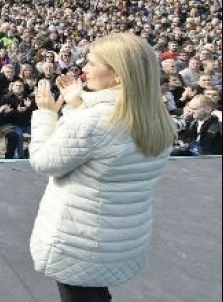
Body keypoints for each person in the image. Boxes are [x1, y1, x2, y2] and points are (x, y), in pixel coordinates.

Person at [29, 33, 175, 302]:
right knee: (96, 293)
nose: (83, 68)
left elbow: (43, 160)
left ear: (118, 75)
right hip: (121, 238)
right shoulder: (157, 116)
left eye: (92, 63)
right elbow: (104, 148)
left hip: (79, 241)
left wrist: (46, 114)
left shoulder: (92, 122)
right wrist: (77, 105)